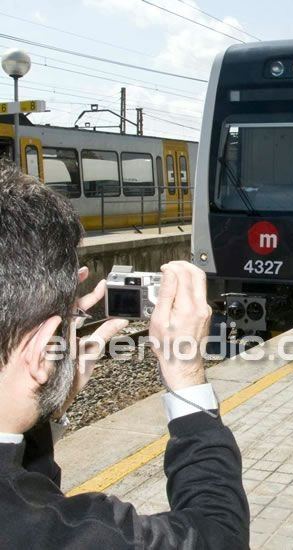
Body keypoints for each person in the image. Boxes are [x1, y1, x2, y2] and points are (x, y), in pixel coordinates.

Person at [0, 165, 249, 549]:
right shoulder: (88, 536)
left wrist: (45, 394)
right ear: (42, 350)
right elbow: (219, 535)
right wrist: (187, 378)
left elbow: (25, 486)